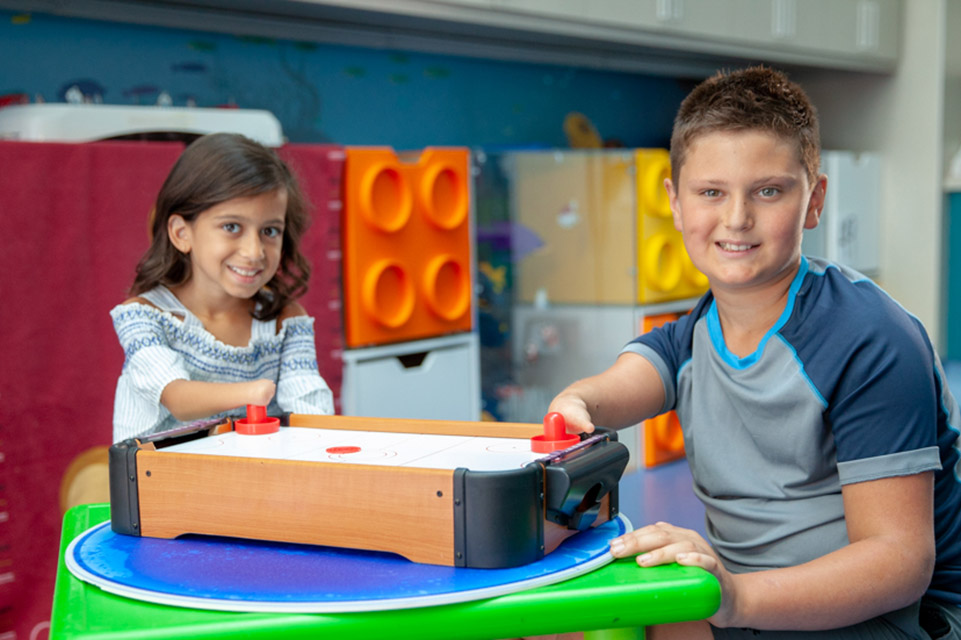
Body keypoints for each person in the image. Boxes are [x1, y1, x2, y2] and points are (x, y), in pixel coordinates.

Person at [547, 66, 961, 639]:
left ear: (813, 201)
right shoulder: (696, 329)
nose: (736, 218)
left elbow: (898, 563)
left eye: (768, 191)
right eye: (711, 192)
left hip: (884, 618)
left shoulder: (870, 337)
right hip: (753, 603)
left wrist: (734, 595)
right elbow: (627, 379)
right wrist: (574, 402)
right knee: (568, 624)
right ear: (674, 202)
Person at [111, 132, 334, 442]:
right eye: (232, 227)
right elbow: (177, 396)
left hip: (246, 481)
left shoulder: (285, 320)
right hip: (159, 484)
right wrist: (251, 393)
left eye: (270, 230)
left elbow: (310, 408)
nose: (254, 251)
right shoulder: (143, 316)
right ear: (181, 233)